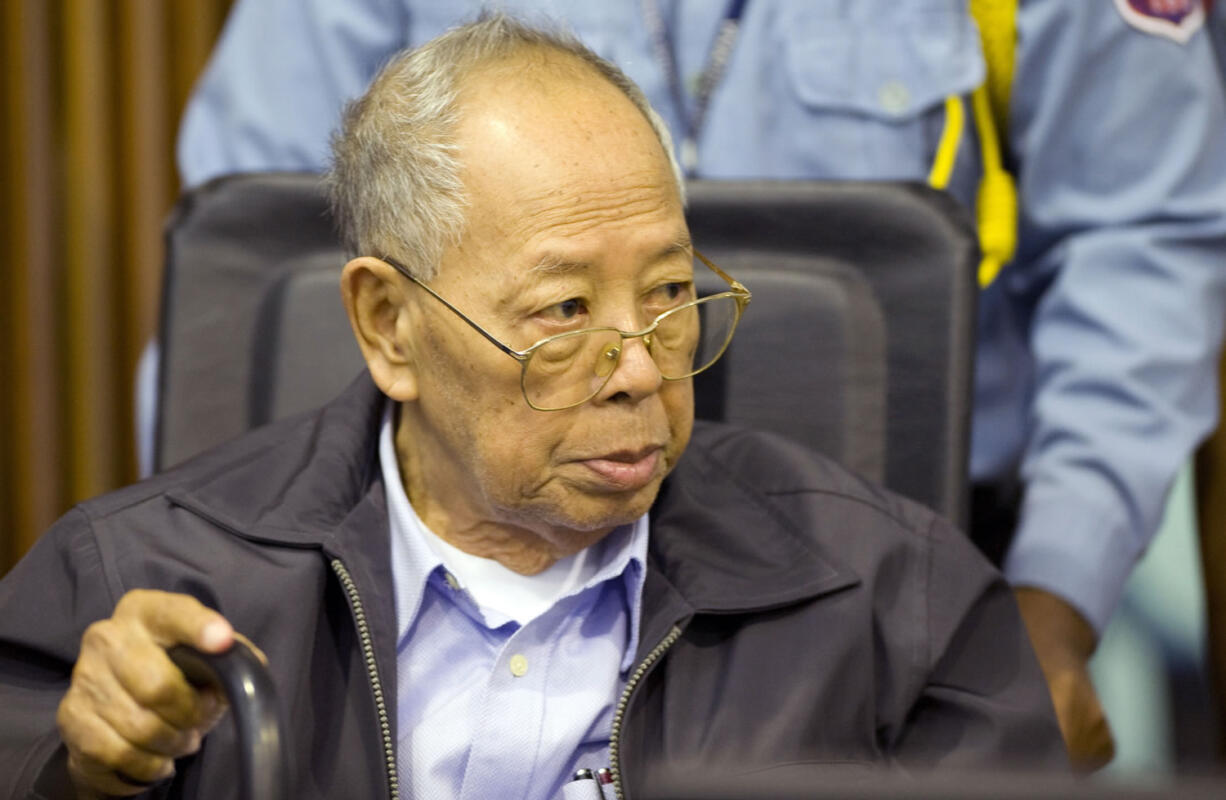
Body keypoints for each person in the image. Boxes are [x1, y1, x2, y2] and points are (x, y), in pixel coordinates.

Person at [0, 16, 1063, 800]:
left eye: (667, 296)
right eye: (563, 310)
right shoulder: (135, 587)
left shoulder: (897, 608)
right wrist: (78, 774)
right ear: (387, 325)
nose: (641, 370)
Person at [171, 0, 1226, 768]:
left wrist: (1047, 610)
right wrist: (223, 594)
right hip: (432, 575)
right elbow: (250, 253)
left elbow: (1141, 234)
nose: (632, 359)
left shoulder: (930, 608)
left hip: (916, 578)